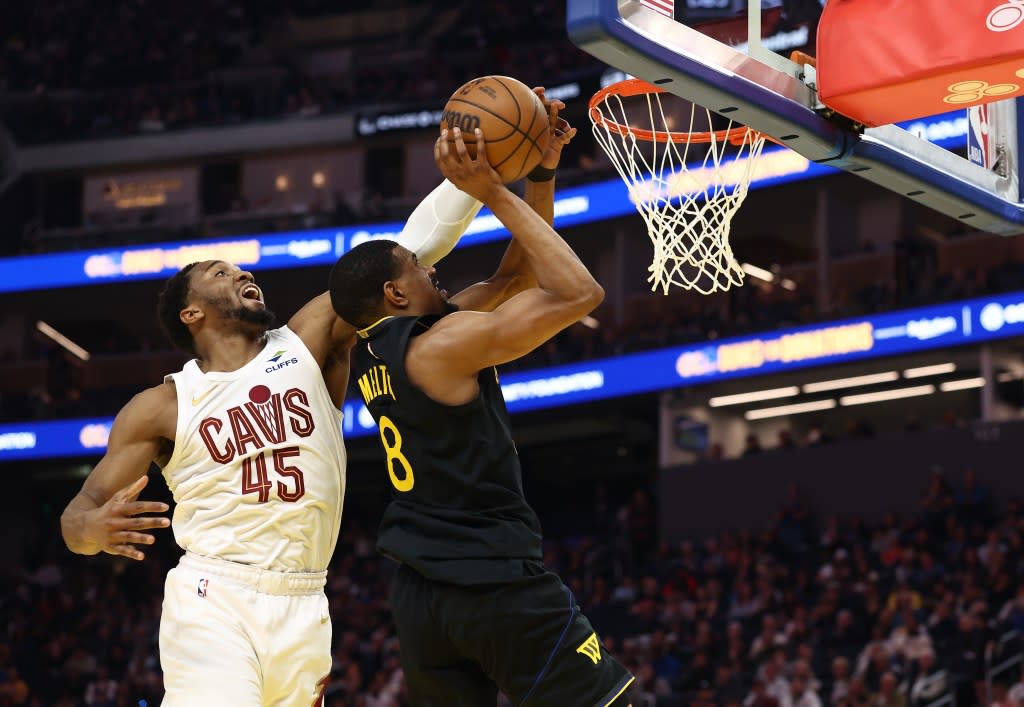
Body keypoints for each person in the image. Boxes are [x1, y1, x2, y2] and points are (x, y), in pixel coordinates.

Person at [59, 172, 484, 704]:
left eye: (241, 267)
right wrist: (91, 531)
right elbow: (77, 515)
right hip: (216, 597)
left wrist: (475, 178)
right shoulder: (162, 406)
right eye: (221, 273)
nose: (243, 272)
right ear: (193, 313)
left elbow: (401, 254)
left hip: (307, 602)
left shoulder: (308, 341)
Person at [328, 109, 635, 704]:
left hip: (420, 597)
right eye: (418, 267)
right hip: (490, 580)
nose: (432, 268)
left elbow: (517, 275)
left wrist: (542, 170)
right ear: (395, 293)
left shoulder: (379, 352)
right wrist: (490, 191)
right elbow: (578, 293)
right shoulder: (440, 345)